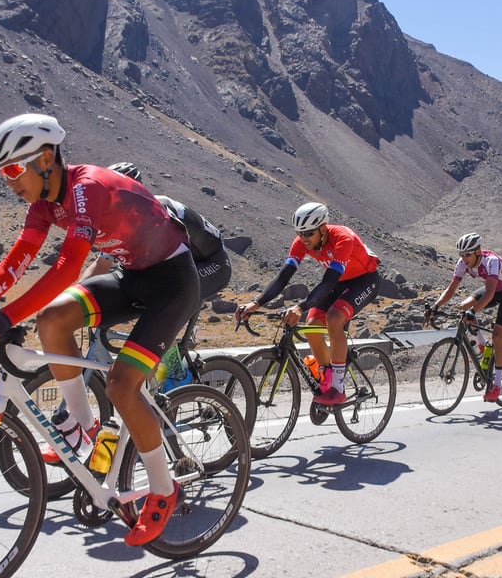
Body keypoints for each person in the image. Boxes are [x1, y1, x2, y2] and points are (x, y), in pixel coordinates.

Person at [0, 114, 196, 547]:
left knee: (122, 386)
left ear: (45, 159)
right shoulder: (43, 205)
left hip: (173, 283)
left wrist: (7, 316)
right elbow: (15, 263)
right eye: (1, 174)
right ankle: (81, 420)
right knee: (52, 319)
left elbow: (67, 267)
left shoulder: (87, 190)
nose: (9, 182)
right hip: (133, 275)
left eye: (12, 170)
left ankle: (162, 488)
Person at [236, 202, 381, 406]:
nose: (304, 239)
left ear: (323, 229)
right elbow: (283, 277)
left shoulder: (343, 239)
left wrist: (299, 306)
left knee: (334, 318)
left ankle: (337, 388)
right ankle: (327, 378)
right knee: (312, 322)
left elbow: (328, 281)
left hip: (364, 280)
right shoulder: (301, 243)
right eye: (300, 233)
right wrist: (256, 303)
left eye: (309, 233)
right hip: (339, 282)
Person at [105, 162, 232, 303]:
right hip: (185, 264)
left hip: (214, 263)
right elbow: (101, 264)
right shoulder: (117, 221)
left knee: (164, 290)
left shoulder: (159, 210)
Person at [425, 232, 502, 402]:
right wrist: (435, 307)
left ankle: (497, 385)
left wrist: (474, 311)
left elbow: (491, 293)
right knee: (462, 307)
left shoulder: (491, 261)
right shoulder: (462, 263)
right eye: (461, 255)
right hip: (491, 289)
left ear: (477, 251)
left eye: (467, 254)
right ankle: (482, 344)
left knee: (498, 335)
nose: (464, 258)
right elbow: (451, 290)